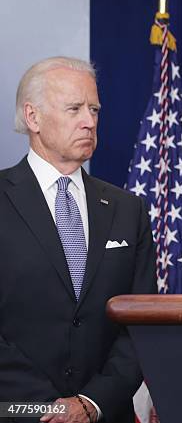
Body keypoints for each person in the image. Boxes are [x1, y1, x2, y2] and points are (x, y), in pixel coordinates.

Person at [0, 57, 156, 422]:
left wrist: (90, 402)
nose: (89, 121)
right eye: (74, 109)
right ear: (33, 117)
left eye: (94, 109)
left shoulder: (128, 209)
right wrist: (45, 407)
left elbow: (142, 321)